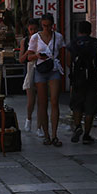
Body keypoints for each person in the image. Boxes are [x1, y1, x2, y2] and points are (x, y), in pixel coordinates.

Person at [27, 13, 66, 146]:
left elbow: (62, 52)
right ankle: (46, 134)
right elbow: (28, 56)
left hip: (54, 69)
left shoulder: (58, 37)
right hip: (40, 70)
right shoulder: (35, 38)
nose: (47, 29)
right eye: (44, 26)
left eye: (49, 26)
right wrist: (37, 55)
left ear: (52, 25)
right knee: (42, 103)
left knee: (54, 100)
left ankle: (54, 134)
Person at [67, 21, 97, 144]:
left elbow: (68, 61)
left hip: (77, 79)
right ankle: (86, 135)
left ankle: (77, 127)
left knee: (77, 104)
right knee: (90, 108)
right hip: (92, 79)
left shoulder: (73, 43)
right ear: (90, 30)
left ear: (78, 30)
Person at [19, 18, 41, 136]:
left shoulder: (42, 38)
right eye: (31, 29)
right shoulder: (25, 41)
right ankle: (28, 119)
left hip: (41, 68)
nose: (33, 31)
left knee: (41, 100)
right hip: (30, 69)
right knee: (31, 99)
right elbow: (21, 59)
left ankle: (39, 127)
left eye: (35, 29)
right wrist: (28, 52)